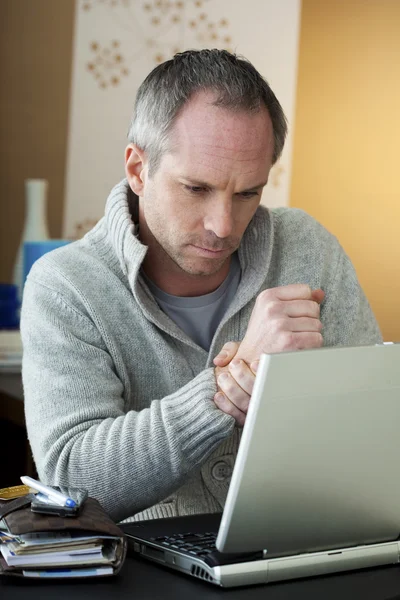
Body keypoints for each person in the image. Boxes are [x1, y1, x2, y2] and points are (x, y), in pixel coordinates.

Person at [21, 49, 382, 523]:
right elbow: (72, 482)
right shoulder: (66, 286)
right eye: (196, 188)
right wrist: (229, 384)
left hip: (302, 544)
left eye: (248, 192)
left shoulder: (307, 248)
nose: (222, 225)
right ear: (137, 170)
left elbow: (377, 433)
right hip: (143, 573)